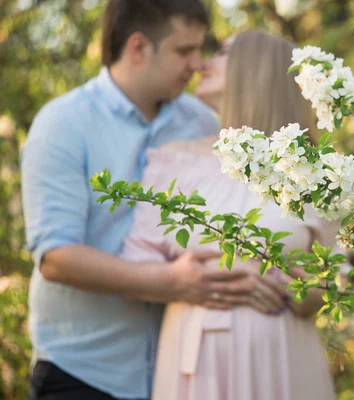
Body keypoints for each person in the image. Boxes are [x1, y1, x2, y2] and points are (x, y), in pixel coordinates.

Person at [20, 2, 287, 400]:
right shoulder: (62, 124)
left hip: (181, 371)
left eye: (202, 49)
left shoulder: (204, 123)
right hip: (84, 372)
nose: (199, 64)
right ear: (139, 47)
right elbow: (57, 258)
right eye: (184, 51)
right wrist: (173, 283)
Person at [119, 30, 345, 400]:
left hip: (281, 355)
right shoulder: (175, 160)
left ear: (259, 68)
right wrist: (200, 276)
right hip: (196, 357)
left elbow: (337, 282)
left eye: (222, 53)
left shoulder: (316, 173)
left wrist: (295, 289)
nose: (202, 64)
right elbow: (137, 260)